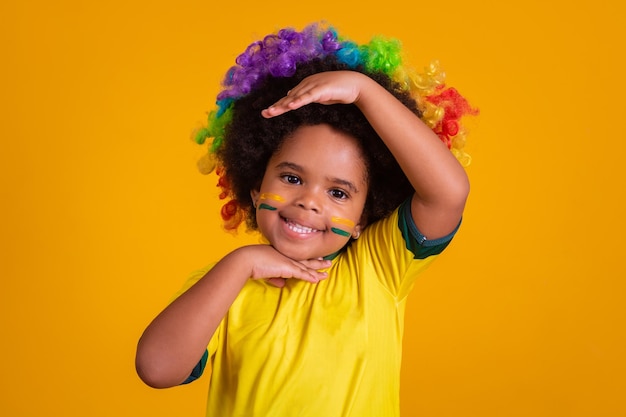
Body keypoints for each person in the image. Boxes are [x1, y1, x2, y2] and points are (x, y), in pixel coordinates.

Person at [135, 22, 477, 416]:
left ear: (363, 218)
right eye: (293, 178)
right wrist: (241, 263)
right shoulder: (226, 285)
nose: (310, 202)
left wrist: (363, 92)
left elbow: (448, 193)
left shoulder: (379, 266)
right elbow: (157, 368)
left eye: (338, 193)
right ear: (255, 189)